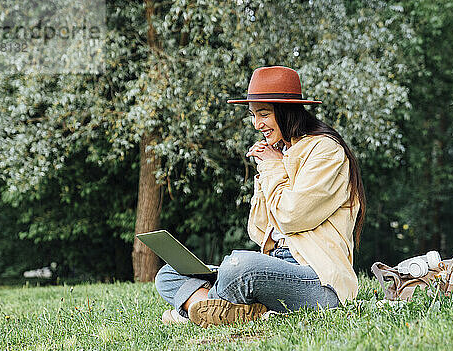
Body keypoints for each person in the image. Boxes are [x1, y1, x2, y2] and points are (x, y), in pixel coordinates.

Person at [154, 66, 366, 328]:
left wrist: (273, 167)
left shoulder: (325, 151)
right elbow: (258, 231)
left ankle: (195, 308)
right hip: (276, 269)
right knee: (168, 274)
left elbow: (292, 217)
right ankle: (215, 308)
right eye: (253, 115)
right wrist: (268, 169)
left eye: (264, 114)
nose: (257, 124)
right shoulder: (278, 154)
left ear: (287, 112)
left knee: (239, 266)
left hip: (318, 280)